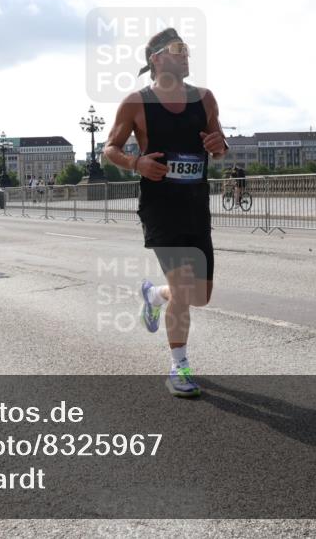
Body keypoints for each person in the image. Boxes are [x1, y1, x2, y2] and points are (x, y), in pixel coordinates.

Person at [103, 27, 228, 398]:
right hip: (160, 208)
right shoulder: (136, 103)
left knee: (200, 294)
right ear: (156, 58)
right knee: (185, 291)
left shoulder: (204, 99)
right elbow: (110, 148)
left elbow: (219, 146)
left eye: (187, 48)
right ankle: (179, 367)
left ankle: (155, 295)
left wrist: (220, 145)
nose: (186, 54)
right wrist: (136, 163)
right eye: (177, 49)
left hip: (196, 206)